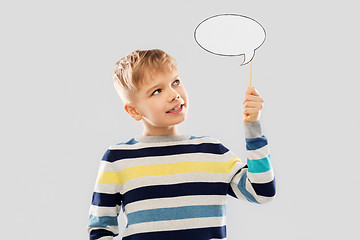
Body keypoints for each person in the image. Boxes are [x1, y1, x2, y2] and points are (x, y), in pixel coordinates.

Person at [87, 49, 276, 240]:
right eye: (157, 91)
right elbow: (100, 229)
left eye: (175, 82)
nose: (174, 95)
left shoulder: (212, 152)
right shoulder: (118, 159)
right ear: (134, 111)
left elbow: (261, 192)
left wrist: (253, 127)